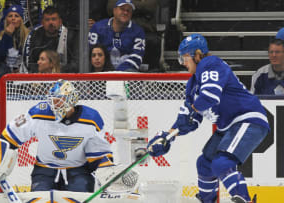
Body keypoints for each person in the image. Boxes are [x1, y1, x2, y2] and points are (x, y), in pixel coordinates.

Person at [147, 34, 269, 203]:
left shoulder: (210, 64)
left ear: (198, 54)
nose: (182, 63)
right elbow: (188, 122)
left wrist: (193, 109)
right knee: (204, 164)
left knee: (221, 164)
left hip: (247, 119)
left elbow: (210, 97)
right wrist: (166, 137)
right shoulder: (192, 85)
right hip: (228, 127)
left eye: (185, 57)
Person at [0, 79, 114, 192]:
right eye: (53, 101)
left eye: (59, 100)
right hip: (44, 171)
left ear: (71, 99)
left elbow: (99, 154)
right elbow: (10, 136)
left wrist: (106, 173)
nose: (54, 105)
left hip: (78, 172)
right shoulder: (39, 113)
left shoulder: (91, 118)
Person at [89, 0, 145, 72]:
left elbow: (137, 57)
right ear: (114, 10)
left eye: (128, 10)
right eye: (122, 9)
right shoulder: (97, 27)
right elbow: (91, 53)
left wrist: (117, 73)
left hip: (125, 73)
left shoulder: (138, 31)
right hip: (101, 72)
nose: (125, 12)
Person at [22, 6, 79, 73]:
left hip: (65, 77)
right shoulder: (35, 35)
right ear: (42, 23)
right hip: (41, 77)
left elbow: (76, 64)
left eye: (54, 19)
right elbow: (30, 63)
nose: (51, 23)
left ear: (60, 22)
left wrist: (54, 70)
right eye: (47, 20)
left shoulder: (70, 36)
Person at [0, 4, 30, 73]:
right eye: (10, 16)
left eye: (16, 16)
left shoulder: (28, 35)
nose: (13, 18)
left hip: (23, 71)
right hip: (4, 72)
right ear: (6, 19)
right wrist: (7, 36)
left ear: (21, 19)